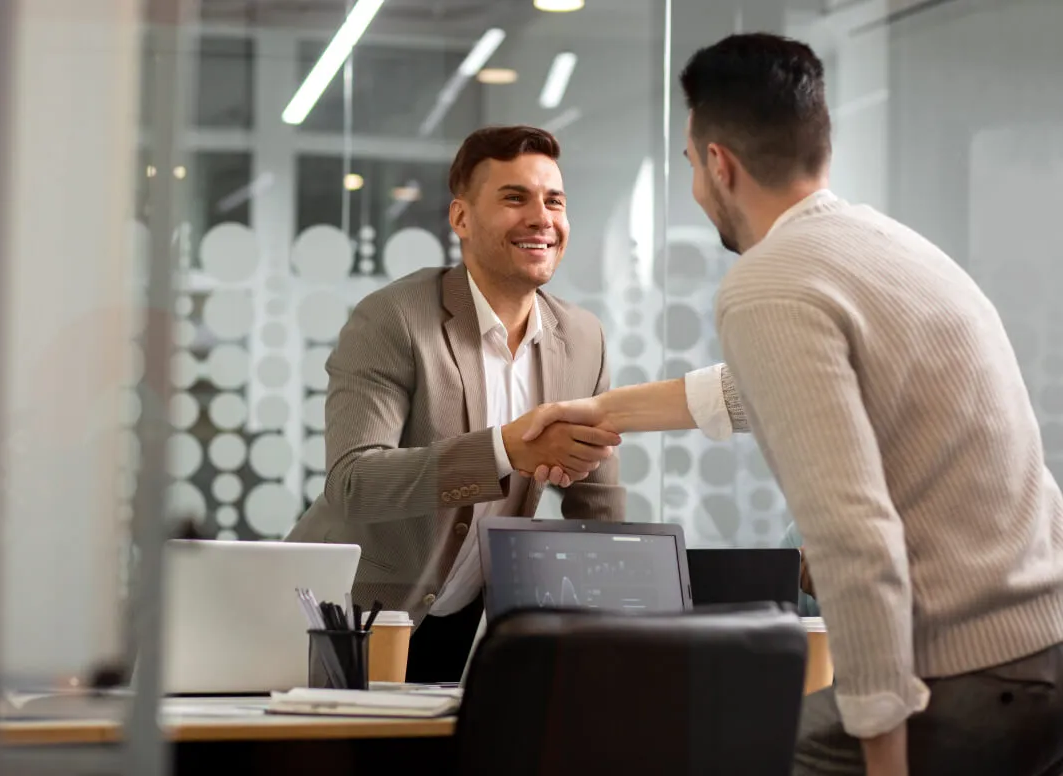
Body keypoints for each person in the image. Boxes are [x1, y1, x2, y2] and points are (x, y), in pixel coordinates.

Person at [515, 34, 1063, 776]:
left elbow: (852, 534)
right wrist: (596, 413)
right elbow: (752, 389)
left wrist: (883, 751)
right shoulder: (883, 247)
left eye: (689, 165)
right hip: (1041, 652)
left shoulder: (770, 282)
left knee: (691, 750)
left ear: (718, 165)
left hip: (965, 678)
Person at [286, 125, 746, 683]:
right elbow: (355, 482)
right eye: (514, 198)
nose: (541, 218)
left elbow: (596, 504)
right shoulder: (395, 318)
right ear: (460, 219)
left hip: (461, 618)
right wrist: (507, 448)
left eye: (554, 200)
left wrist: (627, 636)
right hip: (348, 618)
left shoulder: (581, 337)